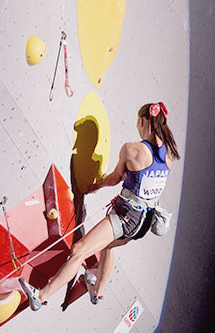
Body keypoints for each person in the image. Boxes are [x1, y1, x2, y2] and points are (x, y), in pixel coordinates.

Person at [19, 102, 180, 309]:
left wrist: (97, 184)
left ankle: (40, 297)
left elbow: (115, 178)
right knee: (107, 245)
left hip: (126, 217)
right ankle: (97, 291)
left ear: (143, 121)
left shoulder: (132, 149)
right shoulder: (169, 153)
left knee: (79, 250)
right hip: (144, 224)